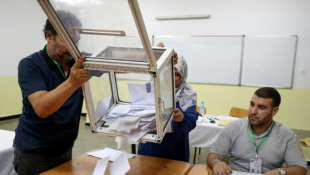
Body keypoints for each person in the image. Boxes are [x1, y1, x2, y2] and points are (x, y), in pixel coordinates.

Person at [13, 10, 90, 175]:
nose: (72, 48)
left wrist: (155, 53)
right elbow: (42, 108)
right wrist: (72, 82)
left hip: (65, 148)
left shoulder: (78, 60)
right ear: (49, 36)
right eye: (67, 41)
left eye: (76, 41)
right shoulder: (29, 65)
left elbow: (116, 60)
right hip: (34, 152)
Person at [207, 87, 307, 175]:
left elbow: (300, 169)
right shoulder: (233, 128)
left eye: (261, 107)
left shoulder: (287, 136)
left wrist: (280, 172)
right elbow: (214, 155)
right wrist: (216, 162)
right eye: (252, 105)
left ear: (274, 111)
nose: (253, 111)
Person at [138, 55, 198, 162]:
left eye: (176, 74)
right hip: (149, 147)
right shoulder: (150, 88)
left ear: (183, 75)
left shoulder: (188, 94)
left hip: (175, 150)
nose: (170, 77)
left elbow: (192, 120)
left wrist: (182, 117)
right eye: (167, 73)